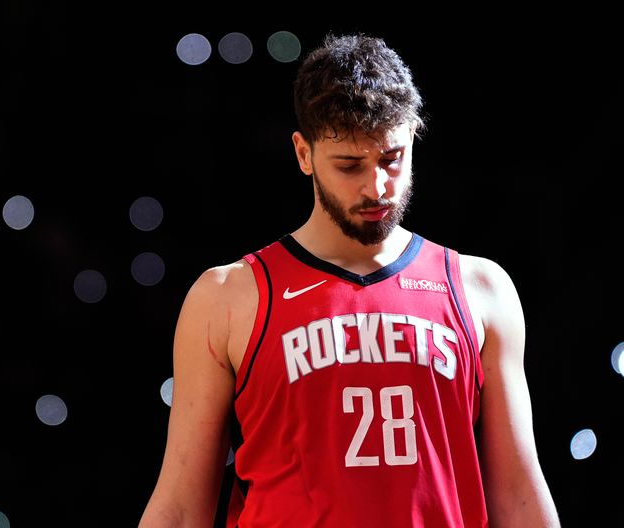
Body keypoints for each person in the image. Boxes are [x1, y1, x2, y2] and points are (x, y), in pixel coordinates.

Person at [139, 32, 561, 528]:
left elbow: (519, 498)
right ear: (303, 154)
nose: (376, 186)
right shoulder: (227, 298)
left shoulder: (481, 290)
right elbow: (182, 507)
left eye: (391, 159)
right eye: (349, 165)